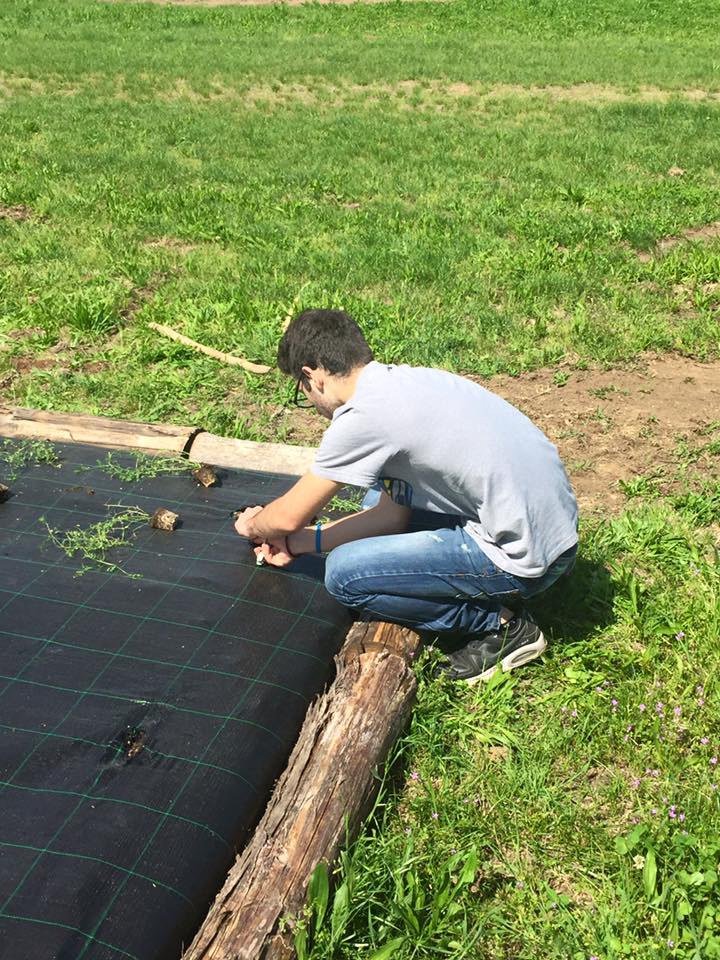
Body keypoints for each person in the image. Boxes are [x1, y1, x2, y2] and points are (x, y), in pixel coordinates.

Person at [234, 308, 578, 684]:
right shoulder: (407, 382)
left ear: (311, 376)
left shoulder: (363, 417)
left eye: (301, 390)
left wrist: (254, 523)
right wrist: (302, 543)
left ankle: (502, 627)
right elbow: (389, 517)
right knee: (373, 501)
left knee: (345, 574)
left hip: (523, 559)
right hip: (554, 531)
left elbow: (285, 517)